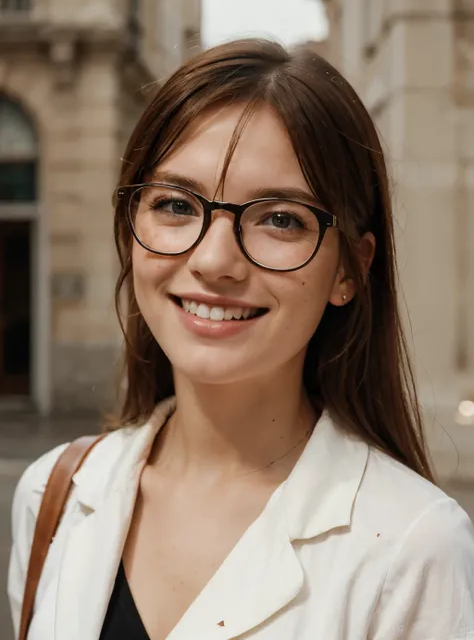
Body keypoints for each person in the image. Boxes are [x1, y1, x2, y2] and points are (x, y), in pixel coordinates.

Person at [8, 39, 474, 640]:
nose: (214, 259)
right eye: (175, 204)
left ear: (348, 270)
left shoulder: (414, 549)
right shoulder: (53, 496)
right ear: (130, 228)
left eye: (281, 218)